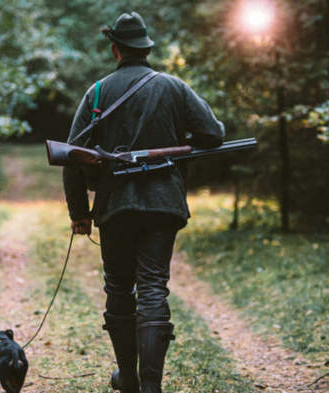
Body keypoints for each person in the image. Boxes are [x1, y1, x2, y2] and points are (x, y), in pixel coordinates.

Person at [62, 11, 224, 393]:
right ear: (146, 49)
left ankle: (130, 380)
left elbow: (71, 157)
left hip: (115, 206)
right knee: (153, 286)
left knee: (119, 288)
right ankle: (150, 387)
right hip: (162, 204)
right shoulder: (173, 87)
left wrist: (79, 213)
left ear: (115, 49)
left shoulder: (98, 92)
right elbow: (213, 134)